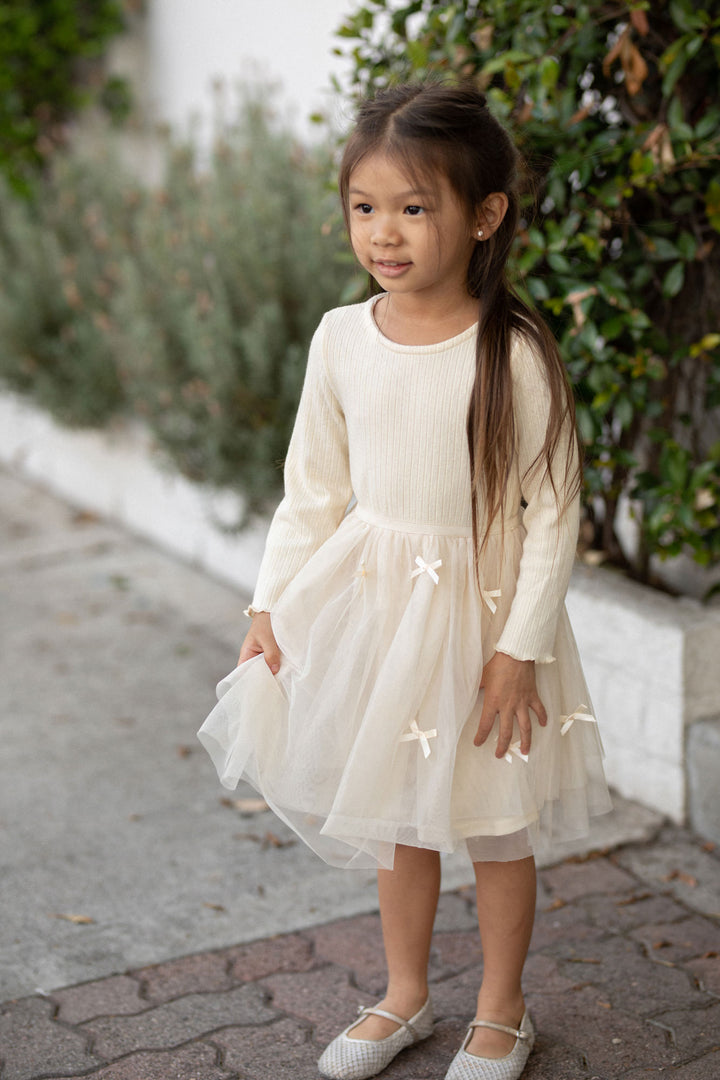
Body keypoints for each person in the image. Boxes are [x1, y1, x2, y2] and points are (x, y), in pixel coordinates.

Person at [198, 81, 611, 1080]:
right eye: (366, 208)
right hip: (381, 616)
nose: (385, 233)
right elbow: (311, 490)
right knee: (398, 815)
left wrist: (520, 654)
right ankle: (403, 994)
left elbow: (554, 514)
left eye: (414, 208)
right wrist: (266, 603)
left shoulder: (511, 353)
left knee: (496, 823)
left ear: (485, 215)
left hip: (484, 627)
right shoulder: (341, 337)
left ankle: (502, 1011)